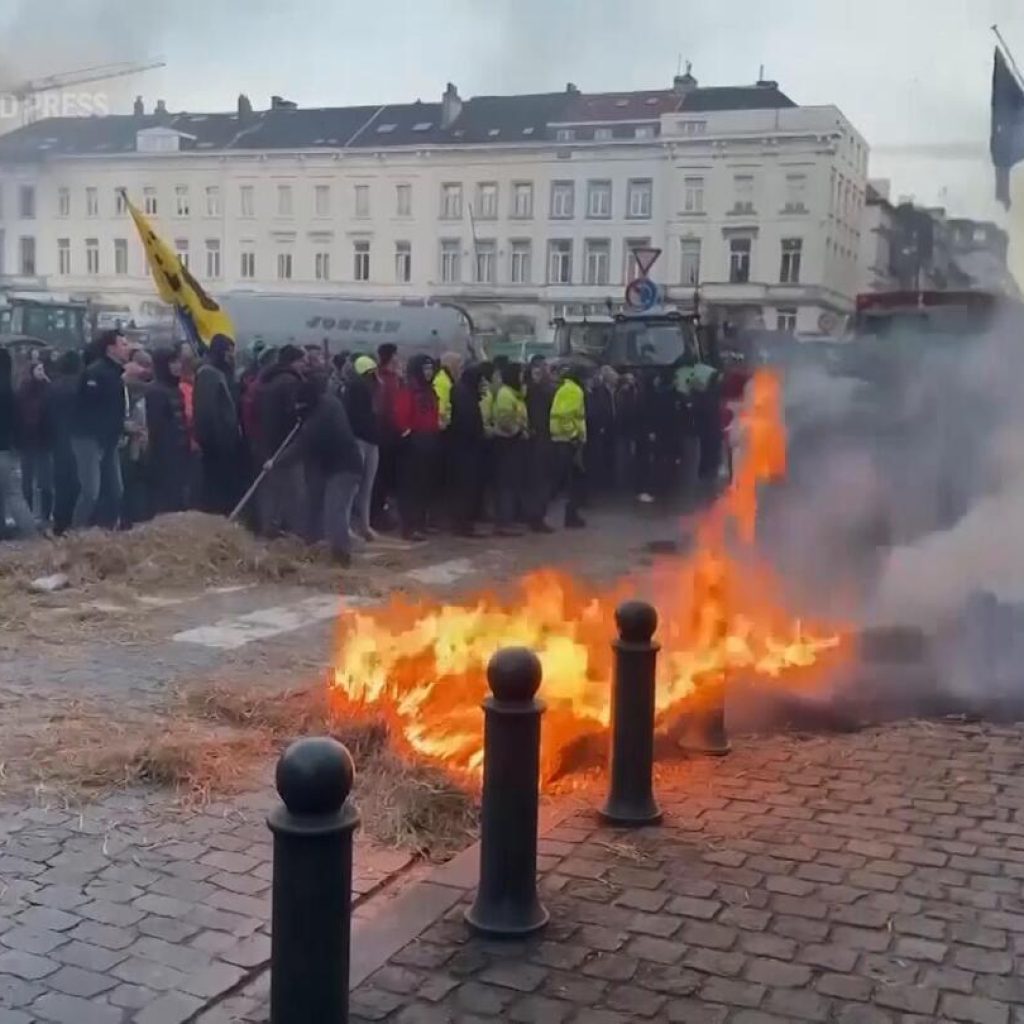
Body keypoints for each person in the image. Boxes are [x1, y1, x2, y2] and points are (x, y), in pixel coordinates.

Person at [277, 372, 363, 565]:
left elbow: (300, 446)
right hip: (334, 465)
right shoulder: (329, 403)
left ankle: (341, 556)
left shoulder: (317, 421)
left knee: (334, 510)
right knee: (316, 505)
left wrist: (275, 462)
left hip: (344, 468)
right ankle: (316, 547)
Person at [71, 329, 130, 529]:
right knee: (91, 491)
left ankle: (108, 530)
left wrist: (122, 429)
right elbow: (88, 410)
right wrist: (100, 439)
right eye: (123, 344)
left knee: (116, 489)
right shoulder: (95, 372)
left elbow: (114, 409)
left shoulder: (117, 373)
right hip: (89, 439)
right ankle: (76, 533)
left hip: (109, 439)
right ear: (110, 348)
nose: (127, 348)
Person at [256, 344, 307, 535]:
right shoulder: (290, 383)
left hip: (269, 442)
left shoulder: (269, 380)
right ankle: (294, 533)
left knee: (272, 490)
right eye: (302, 361)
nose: (305, 365)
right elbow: (294, 414)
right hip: (286, 443)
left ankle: (270, 526)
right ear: (293, 362)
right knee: (295, 492)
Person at [193, 335, 241, 515]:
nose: (232, 355)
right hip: (217, 442)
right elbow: (207, 410)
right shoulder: (209, 373)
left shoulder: (221, 372)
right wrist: (215, 440)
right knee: (216, 484)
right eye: (229, 350)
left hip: (225, 438)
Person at [394, 354, 439, 541]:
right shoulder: (409, 391)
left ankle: (421, 522)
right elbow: (401, 417)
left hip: (429, 440)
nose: (428, 373)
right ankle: (409, 526)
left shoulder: (429, 390)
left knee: (425, 485)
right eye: (425, 369)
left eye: (430, 369)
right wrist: (409, 435)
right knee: (411, 487)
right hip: (413, 443)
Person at [145, 348, 191, 514]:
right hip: (164, 455)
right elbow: (156, 428)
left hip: (180, 451)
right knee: (167, 501)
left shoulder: (176, 389)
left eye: (178, 361)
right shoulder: (156, 391)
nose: (178, 366)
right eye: (172, 362)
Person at [0, 349, 38, 539]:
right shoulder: (11, 392)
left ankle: (28, 534)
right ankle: (29, 534)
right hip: (7, 448)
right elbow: (18, 422)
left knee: (11, 494)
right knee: (13, 493)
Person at [343, 355, 381, 541]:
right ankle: (350, 526)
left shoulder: (371, 389)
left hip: (370, 440)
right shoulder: (355, 389)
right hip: (360, 440)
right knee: (355, 487)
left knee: (365, 487)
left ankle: (364, 525)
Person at [491, 362, 528, 537]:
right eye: (520, 374)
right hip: (507, 443)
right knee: (506, 485)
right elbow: (505, 419)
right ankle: (503, 523)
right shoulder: (506, 394)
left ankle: (509, 520)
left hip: (515, 443)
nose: (522, 377)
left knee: (512, 484)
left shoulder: (516, 394)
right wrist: (518, 431)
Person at [449, 363, 486, 537]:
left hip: (461, 447)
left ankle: (463, 522)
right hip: (466, 448)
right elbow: (468, 422)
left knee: (464, 487)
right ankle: (463, 524)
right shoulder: (465, 395)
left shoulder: (462, 391)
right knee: (466, 487)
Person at [548, 363, 587, 529]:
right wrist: (573, 435)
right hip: (568, 441)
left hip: (562, 440)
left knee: (566, 480)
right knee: (568, 481)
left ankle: (570, 515)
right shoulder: (574, 390)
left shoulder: (565, 388)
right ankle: (568, 516)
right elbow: (565, 416)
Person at [16, 359, 54, 525]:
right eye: (38, 369)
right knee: (29, 480)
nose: (41, 372)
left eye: (42, 369)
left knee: (42, 480)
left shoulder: (47, 389)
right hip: (31, 440)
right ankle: (31, 514)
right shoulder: (25, 391)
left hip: (39, 440)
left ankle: (43, 514)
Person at [370, 343, 403, 530]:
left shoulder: (394, 378)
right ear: (392, 356)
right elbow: (383, 408)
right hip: (386, 433)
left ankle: (383, 513)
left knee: (388, 476)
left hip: (394, 431)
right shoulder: (383, 379)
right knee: (381, 477)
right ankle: (377, 515)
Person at [49, 351, 81, 535]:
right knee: (77, 482)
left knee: (61, 483)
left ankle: (59, 524)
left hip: (58, 439)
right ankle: (73, 523)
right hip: (77, 437)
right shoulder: (79, 386)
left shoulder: (54, 387)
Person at [120, 352, 152, 527]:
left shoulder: (146, 389)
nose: (145, 370)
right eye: (142, 365)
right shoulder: (123, 387)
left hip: (140, 443)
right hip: (129, 445)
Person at [525, 356, 555, 532]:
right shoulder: (538, 391)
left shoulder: (535, 390)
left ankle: (536, 515)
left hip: (541, 437)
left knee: (540, 480)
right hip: (540, 439)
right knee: (540, 480)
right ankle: (536, 517)